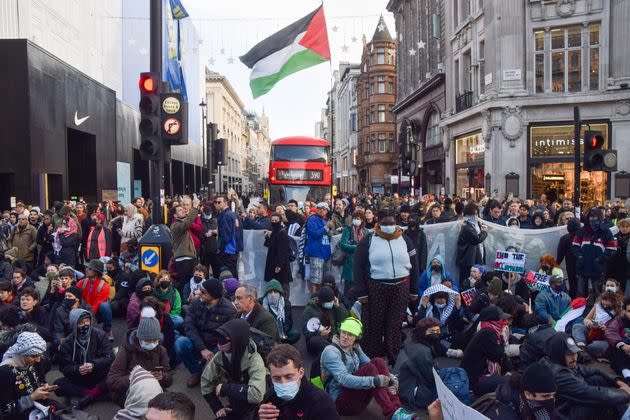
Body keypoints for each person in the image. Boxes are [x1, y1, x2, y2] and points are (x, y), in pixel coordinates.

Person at [352, 208, 419, 364]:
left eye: (392, 223)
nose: (389, 226)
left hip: (401, 287)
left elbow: (414, 265)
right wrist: (361, 293)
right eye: (385, 223)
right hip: (376, 288)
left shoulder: (405, 239)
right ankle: (373, 360)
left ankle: (393, 359)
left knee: (395, 325)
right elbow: (358, 267)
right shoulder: (368, 240)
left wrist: (414, 290)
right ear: (378, 223)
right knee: (374, 325)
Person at [320, 317, 417, 419]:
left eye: (350, 334)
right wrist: (374, 381)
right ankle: (391, 413)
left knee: (378, 361)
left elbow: (371, 363)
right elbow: (344, 379)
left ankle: (397, 410)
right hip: (340, 404)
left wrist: (391, 380)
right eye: (343, 332)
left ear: (357, 338)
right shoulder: (331, 352)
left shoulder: (355, 347)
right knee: (370, 369)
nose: (345, 337)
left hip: (356, 399)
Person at [545, 332, 630, 418]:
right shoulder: (560, 375)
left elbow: (594, 371)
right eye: (569, 354)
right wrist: (625, 394)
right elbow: (591, 393)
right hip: (565, 413)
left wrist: (617, 381)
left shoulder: (562, 362)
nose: (574, 357)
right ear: (559, 354)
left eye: (575, 353)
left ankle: (622, 414)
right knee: (599, 400)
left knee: (597, 379)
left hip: (571, 402)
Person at [176, 277, 237, 388]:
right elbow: (189, 325)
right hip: (198, 341)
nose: (199, 293)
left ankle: (212, 375)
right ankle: (196, 371)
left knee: (214, 366)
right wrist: (202, 348)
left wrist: (215, 352)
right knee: (180, 343)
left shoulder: (230, 311)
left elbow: (228, 336)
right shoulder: (195, 303)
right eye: (200, 289)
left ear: (213, 295)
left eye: (203, 291)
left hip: (217, 345)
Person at [201, 318, 267, 419]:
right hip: (237, 401)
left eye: (224, 338)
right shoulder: (220, 356)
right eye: (218, 337)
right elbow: (206, 382)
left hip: (260, 406)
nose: (219, 343)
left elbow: (257, 394)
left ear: (237, 339)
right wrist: (217, 407)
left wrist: (226, 388)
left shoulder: (255, 360)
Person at [257, 344, 338, 420]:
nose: (283, 383)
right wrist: (259, 417)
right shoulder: (270, 396)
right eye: (277, 378)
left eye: (289, 377)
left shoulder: (322, 403)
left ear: (301, 372)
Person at [398, 318, 463, 410]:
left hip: (408, 384)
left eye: (437, 331)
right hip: (414, 391)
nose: (436, 333)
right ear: (423, 332)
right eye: (432, 331)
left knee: (458, 372)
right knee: (455, 385)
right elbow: (431, 379)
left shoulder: (416, 343)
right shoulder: (423, 352)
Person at [107, 316, 172, 406]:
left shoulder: (161, 350)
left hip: (152, 389)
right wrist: (138, 377)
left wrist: (162, 377)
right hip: (130, 392)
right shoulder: (126, 350)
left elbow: (168, 378)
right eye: (147, 340)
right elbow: (112, 381)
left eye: (154, 340)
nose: (151, 343)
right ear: (139, 338)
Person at [55, 308, 114, 407]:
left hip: (98, 374)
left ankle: (88, 395)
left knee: (113, 377)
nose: (85, 325)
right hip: (79, 377)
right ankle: (91, 394)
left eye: (87, 321)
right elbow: (64, 368)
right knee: (57, 385)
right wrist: (77, 369)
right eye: (81, 323)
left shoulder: (100, 335)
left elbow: (110, 357)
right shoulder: (67, 343)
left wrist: (94, 365)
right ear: (74, 325)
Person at [461, 306, 512, 396]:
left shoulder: (488, 330)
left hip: (475, 376)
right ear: (493, 320)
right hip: (475, 380)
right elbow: (497, 354)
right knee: (510, 380)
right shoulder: (488, 333)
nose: (504, 322)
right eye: (501, 319)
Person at [0, 331, 50, 420]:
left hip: (39, 407)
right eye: (34, 356)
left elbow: (41, 380)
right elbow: (5, 410)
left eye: (40, 355)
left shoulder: (35, 362)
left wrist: (44, 387)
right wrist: (32, 397)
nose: (38, 360)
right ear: (22, 353)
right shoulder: (5, 372)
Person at [572, 207, 617, 300]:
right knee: (581, 293)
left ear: (600, 218)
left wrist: (600, 259)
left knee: (598, 294)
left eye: (595, 218)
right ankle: (580, 312)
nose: (593, 220)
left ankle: (598, 312)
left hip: (598, 267)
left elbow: (612, 248)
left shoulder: (606, 232)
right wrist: (580, 256)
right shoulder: (582, 231)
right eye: (591, 218)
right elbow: (575, 245)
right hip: (583, 265)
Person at [302, 286, 349, 356]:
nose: (330, 303)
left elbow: (344, 320)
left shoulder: (334, 306)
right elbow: (306, 331)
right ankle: (333, 351)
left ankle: (332, 351)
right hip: (318, 339)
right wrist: (320, 334)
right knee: (315, 341)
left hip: (332, 338)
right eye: (328, 302)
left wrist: (338, 306)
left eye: (331, 301)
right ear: (321, 301)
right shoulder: (309, 310)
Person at [571, 290, 619, 359]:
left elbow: (619, 330)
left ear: (613, 303)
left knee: (594, 346)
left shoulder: (619, 311)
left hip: (606, 338)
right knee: (577, 327)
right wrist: (590, 324)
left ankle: (583, 351)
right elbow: (586, 319)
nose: (605, 306)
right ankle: (581, 347)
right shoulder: (598, 306)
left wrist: (606, 328)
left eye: (607, 305)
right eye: (603, 304)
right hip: (593, 332)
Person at [171, 195, 201, 294]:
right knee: (184, 282)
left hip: (189, 256)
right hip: (184, 258)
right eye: (180, 210)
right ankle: (181, 302)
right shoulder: (176, 225)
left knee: (189, 281)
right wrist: (195, 208)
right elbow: (187, 223)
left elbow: (196, 226)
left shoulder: (182, 222)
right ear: (175, 216)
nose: (183, 210)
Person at [76, 259, 113, 340]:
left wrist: (88, 317)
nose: (86, 270)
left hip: (96, 312)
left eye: (90, 268)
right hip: (82, 309)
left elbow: (97, 304)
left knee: (105, 306)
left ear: (96, 272)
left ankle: (107, 330)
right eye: (87, 267)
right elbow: (75, 297)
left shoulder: (105, 286)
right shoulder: (81, 283)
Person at [456, 203, 488, 286]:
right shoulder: (467, 226)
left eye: (476, 214)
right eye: (473, 214)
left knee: (476, 281)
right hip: (468, 259)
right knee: (467, 281)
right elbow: (477, 239)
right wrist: (484, 232)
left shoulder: (474, 224)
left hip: (474, 257)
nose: (475, 216)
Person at [338, 211, 369, 298]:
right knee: (349, 290)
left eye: (358, 219)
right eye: (354, 218)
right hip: (350, 262)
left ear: (362, 220)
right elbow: (343, 244)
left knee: (361, 290)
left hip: (362, 263)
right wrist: (357, 247)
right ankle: (347, 308)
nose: (355, 220)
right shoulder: (347, 230)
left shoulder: (366, 232)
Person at [304, 202, 333, 294]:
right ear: (316, 209)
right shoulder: (312, 219)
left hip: (326, 254)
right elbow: (315, 234)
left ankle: (322, 298)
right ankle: (314, 299)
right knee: (315, 279)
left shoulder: (325, 221)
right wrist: (326, 227)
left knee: (324, 280)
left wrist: (331, 229)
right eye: (320, 208)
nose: (322, 210)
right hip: (316, 253)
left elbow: (329, 237)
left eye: (324, 209)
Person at [259, 279, 300, 344]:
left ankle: (279, 342)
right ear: (266, 293)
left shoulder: (286, 303)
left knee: (295, 334)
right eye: (270, 292)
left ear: (280, 293)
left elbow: (288, 323)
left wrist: (279, 334)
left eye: (275, 292)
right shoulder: (260, 303)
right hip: (266, 332)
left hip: (282, 333)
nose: (273, 294)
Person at [214, 195, 243, 280]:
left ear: (226, 203)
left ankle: (233, 291)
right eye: (216, 202)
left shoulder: (226, 215)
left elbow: (225, 235)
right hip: (234, 249)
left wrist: (220, 248)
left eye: (219, 202)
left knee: (228, 275)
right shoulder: (233, 214)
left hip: (228, 250)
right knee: (233, 273)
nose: (217, 204)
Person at [264, 213, 292, 298]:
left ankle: (285, 305)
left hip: (280, 265)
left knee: (283, 287)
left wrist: (279, 265)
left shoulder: (282, 233)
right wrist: (267, 238)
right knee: (275, 286)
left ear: (280, 221)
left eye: (276, 220)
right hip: (273, 263)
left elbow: (282, 251)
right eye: (272, 220)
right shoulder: (274, 232)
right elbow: (272, 246)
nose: (274, 222)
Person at [605, 296, 630, 382]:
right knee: (616, 345)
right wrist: (623, 346)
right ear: (625, 311)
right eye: (629, 311)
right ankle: (627, 376)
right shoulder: (620, 320)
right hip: (622, 353)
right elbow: (610, 331)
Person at [557, 218, 581, 298]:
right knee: (583, 286)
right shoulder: (584, 236)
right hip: (583, 265)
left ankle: (573, 302)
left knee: (572, 285)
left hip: (571, 266)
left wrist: (555, 265)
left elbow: (560, 255)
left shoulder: (565, 238)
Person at [199, 203, 222, 279]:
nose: (208, 215)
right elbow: (198, 233)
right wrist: (204, 235)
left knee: (216, 270)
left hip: (214, 249)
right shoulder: (200, 221)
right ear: (203, 213)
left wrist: (215, 232)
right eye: (206, 213)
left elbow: (221, 232)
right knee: (205, 270)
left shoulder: (215, 220)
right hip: (204, 250)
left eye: (209, 213)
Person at [609, 218, 630, 296]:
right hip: (616, 265)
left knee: (625, 287)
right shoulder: (615, 237)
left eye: (627, 227)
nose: (625, 228)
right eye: (623, 226)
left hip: (627, 265)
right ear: (619, 227)